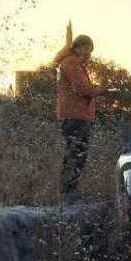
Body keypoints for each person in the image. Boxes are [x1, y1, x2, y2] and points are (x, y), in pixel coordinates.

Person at [54, 34, 107, 197]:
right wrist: (99, 90)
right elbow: (82, 89)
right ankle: (68, 193)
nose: (88, 53)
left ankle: (68, 191)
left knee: (75, 153)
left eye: (90, 50)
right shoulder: (71, 63)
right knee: (76, 154)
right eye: (86, 48)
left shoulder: (70, 63)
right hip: (75, 115)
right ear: (77, 48)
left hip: (74, 114)